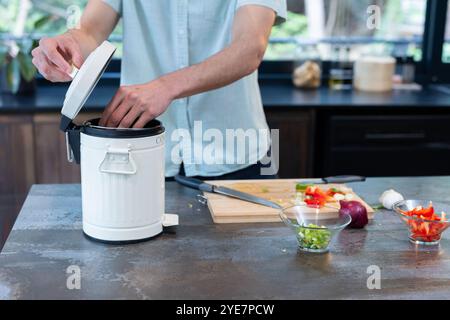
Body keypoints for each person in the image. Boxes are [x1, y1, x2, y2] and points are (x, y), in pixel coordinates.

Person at [32, 0, 287, 179]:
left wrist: (165, 87)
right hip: (145, 157)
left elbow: (250, 47)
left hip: (239, 153)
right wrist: (69, 45)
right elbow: (90, 31)